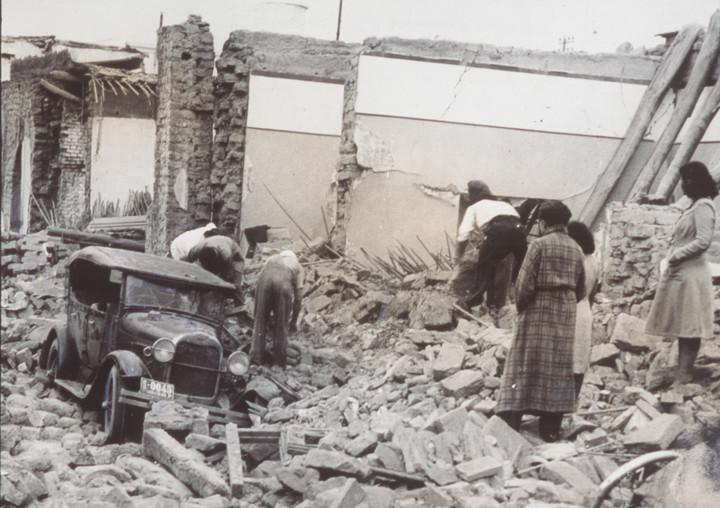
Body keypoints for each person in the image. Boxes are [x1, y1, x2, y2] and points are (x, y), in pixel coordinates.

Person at [495, 200, 585, 442]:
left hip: (538, 307)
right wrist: (565, 301)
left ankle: (511, 418)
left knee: (525, 361)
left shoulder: (539, 245)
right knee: (556, 365)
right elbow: (582, 289)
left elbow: (523, 285)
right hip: (565, 310)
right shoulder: (576, 249)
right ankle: (550, 427)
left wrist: (522, 307)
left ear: (544, 223)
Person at [645, 161, 718, 384]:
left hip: (692, 273)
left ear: (695, 182)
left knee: (690, 325)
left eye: (686, 181)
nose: (683, 186)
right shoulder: (693, 206)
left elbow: (703, 241)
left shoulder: (704, 206)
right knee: (682, 324)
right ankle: (681, 371)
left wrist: (676, 255)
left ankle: (685, 373)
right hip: (682, 273)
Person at [453, 180, 527, 309]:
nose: (468, 197)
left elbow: (464, 234)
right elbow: (515, 221)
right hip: (519, 232)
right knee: (521, 268)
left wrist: (459, 256)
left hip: (499, 232)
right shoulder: (503, 204)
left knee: (484, 266)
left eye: (469, 194)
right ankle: (509, 300)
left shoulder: (474, 207)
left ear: (475, 194)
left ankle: (472, 300)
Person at [249, 250, 304, 368]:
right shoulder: (298, 266)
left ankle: (255, 359)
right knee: (281, 325)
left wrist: (264, 316)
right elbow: (298, 299)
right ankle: (278, 364)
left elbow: (260, 281)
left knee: (259, 322)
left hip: (264, 281)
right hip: (283, 283)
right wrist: (293, 322)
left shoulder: (271, 258)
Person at [567, 220, 601, 402]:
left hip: (571, 309)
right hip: (585, 311)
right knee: (579, 358)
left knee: (565, 358)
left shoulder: (575, 260)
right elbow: (594, 291)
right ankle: (573, 400)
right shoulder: (594, 261)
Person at [184, 234, 244, 304]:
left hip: (235, 258)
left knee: (235, 285)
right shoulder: (198, 248)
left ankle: (240, 304)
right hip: (217, 253)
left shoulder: (226, 254)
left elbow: (228, 275)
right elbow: (188, 260)